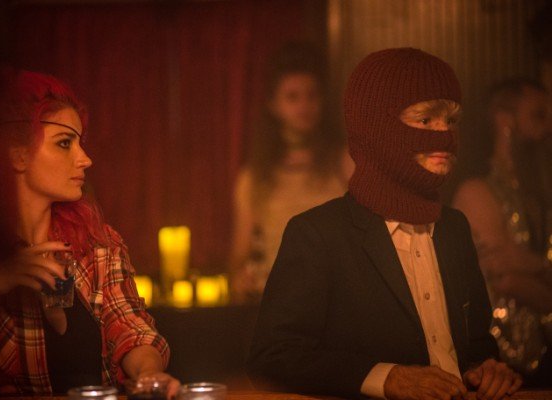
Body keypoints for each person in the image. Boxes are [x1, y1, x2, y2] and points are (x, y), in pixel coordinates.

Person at [247, 48, 522, 400]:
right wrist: (384, 378)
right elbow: (272, 358)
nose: (444, 135)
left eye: (452, 120)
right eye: (426, 120)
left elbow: (476, 342)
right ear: (377, 127)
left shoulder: (453, 228)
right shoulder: (319, 235)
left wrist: (485, 369)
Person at [0, 68, 180, 396]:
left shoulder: (98, 244)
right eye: (64, 143)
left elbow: (132, 330)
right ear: (17, 154)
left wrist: (149, 374)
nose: (85, 159)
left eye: (80, 143)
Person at [230, 42, 353, 302]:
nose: (304, 105)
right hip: (282, 300)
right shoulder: (255, 177)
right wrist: (241, 277)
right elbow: (239, 256)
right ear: (274, 105)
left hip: (339, 298)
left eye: (311, 95)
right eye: (292, 97)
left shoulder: (343, 163)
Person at [452, 78, 552, 386]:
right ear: (504, 119)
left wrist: (533, 266)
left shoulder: (536, 193)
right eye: (538, 115)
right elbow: (503, 274)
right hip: (502, 366)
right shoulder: (477, 191)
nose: (548, 128)